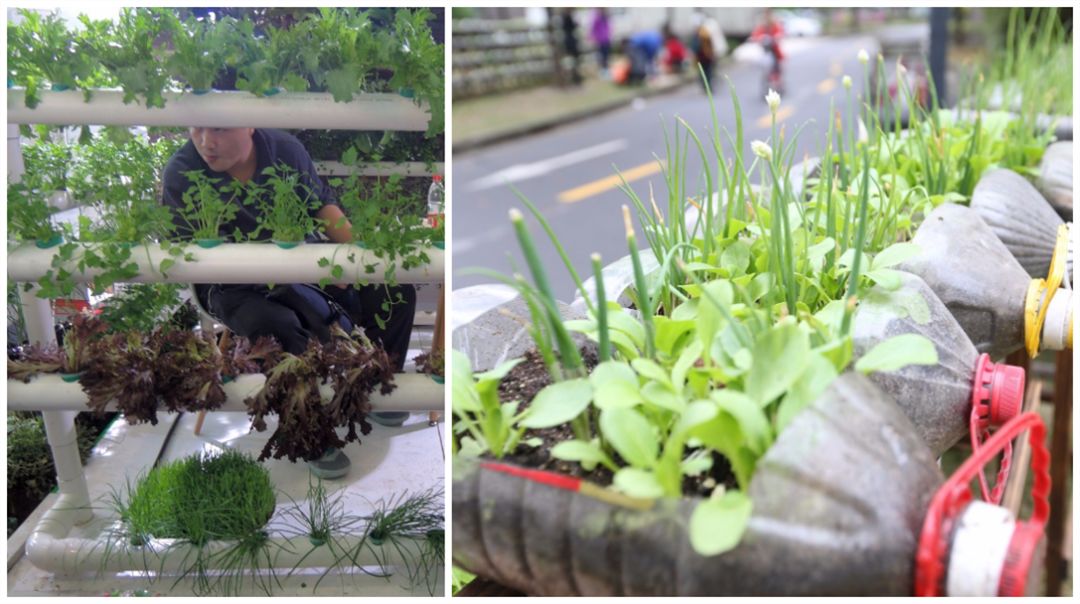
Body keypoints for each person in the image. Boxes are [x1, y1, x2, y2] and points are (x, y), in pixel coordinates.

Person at [162, 127, 417, 480]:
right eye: (197, 128)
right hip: (228, 283)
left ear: (248, 123)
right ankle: (309, 432)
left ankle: (377, 387)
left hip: (299, 259)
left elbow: (321, 204)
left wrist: (355, 260)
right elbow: (184, 255)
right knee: (276, 323)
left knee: (396, 291)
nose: (206, 141)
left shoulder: (283, 149)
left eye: (219, 128)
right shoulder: (181, 170)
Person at [751, 8, 785, 95]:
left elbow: (780, 33)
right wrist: (759, 39)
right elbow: (756, 35)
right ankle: (767, 83)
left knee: (777, 69)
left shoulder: (775, 25)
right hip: (766, 52)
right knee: (764, 67)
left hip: (775, 52)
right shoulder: (762, 26)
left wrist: (777, 37)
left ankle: (779, 84)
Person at [590, 8, 612, 77]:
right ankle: (602, 71)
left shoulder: (605, 17)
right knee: (601, 56)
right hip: (599, 39)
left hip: (606, 39)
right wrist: (593, 38)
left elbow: (608, 27)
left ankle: (606, 70)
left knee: (606, 55)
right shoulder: (596, 17)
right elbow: (593, 28)